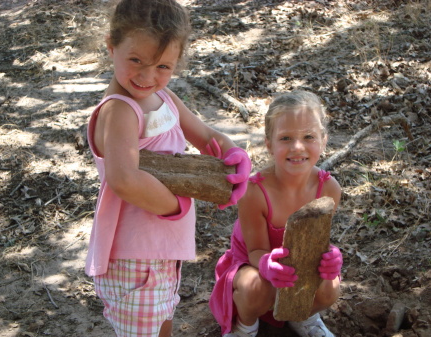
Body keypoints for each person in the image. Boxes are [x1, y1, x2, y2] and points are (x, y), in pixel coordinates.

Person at [84, 1, 251, 336]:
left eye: (162, 66)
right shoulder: (120, 111)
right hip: (132, 256)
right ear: (111, 46)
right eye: (136, 61)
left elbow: (204, 135)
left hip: (158, 251)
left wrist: (234, 155)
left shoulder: (164, 98)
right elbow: (124, 179)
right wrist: (177, 206)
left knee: (161, 323)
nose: (147, 76)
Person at [209, 90, 343, 337]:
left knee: (331, 287)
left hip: (299, 266)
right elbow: (254, 251)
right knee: (257, 288)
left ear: (324, 141)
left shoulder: (329, 188)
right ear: (269, 143)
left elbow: (318, 240)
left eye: (309, 136)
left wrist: (330, 257)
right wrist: (267, 265)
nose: (297, 147)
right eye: (286, 138)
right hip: (253, 265)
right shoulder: (254, 191)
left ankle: (303, 316)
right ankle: (246, 326)